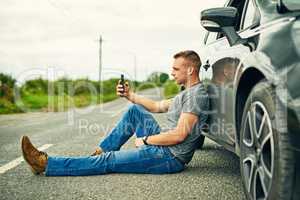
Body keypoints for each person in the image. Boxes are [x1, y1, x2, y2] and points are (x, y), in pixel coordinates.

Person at [21, 50, 209, 176]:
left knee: (109, 161)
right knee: (135, 110)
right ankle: (101, 152)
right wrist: (129, 95)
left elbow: (179, 135)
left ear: (191, 69)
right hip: (163, 147)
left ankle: (47, 164)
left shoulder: (195, 96)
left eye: (176, 69)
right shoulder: (187, 93)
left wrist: (145, 140)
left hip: (169, 157)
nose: (172, 73)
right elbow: (155, 106)